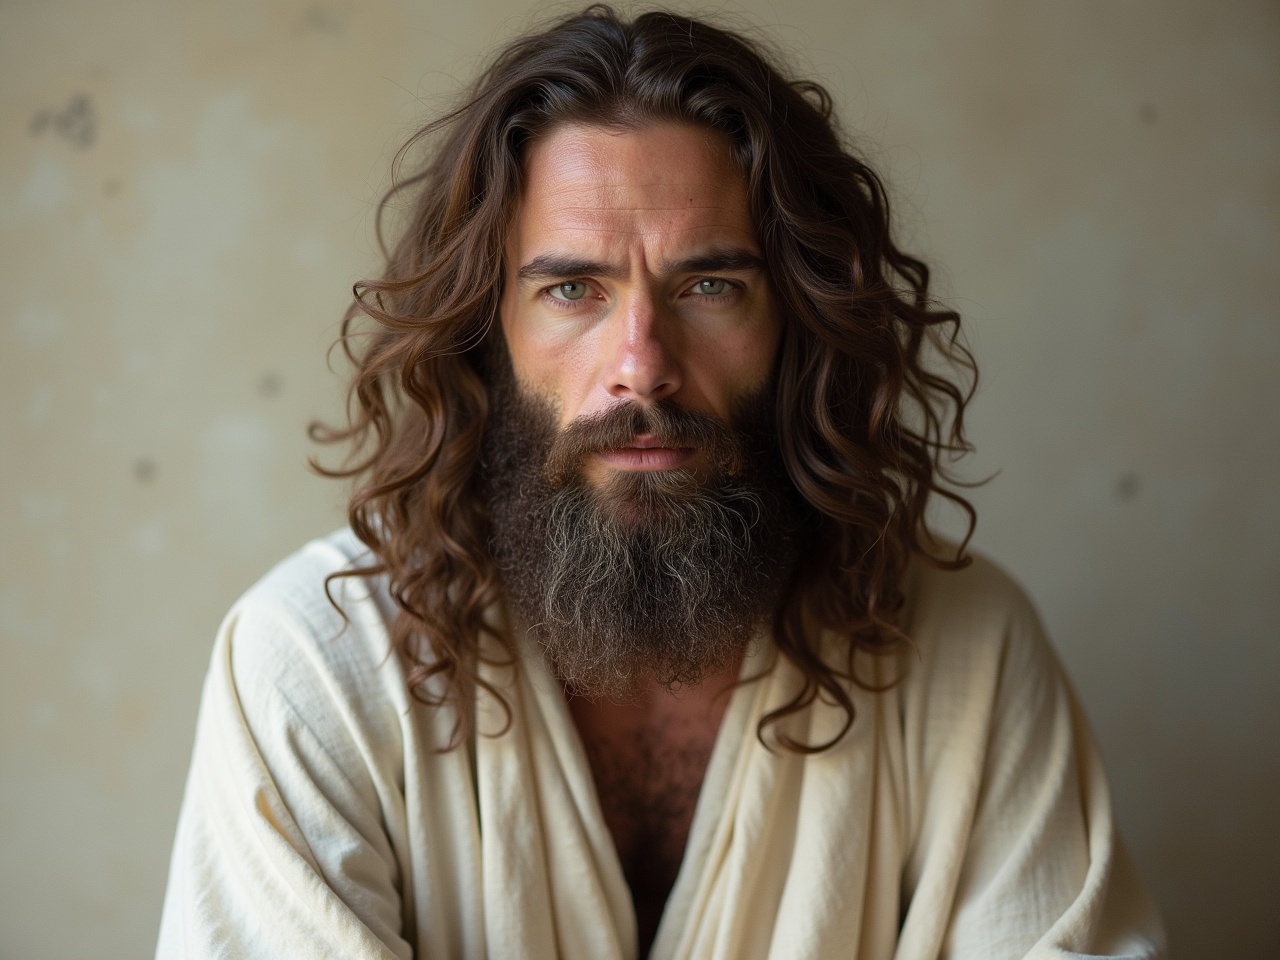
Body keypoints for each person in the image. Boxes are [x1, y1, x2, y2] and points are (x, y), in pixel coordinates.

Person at [156, 7, 1166, 959]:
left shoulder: (967, 652)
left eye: (709, 285)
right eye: (570, 289)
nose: (640, 363)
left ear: (796, 323)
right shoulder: (313, 666)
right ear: (485, 332)